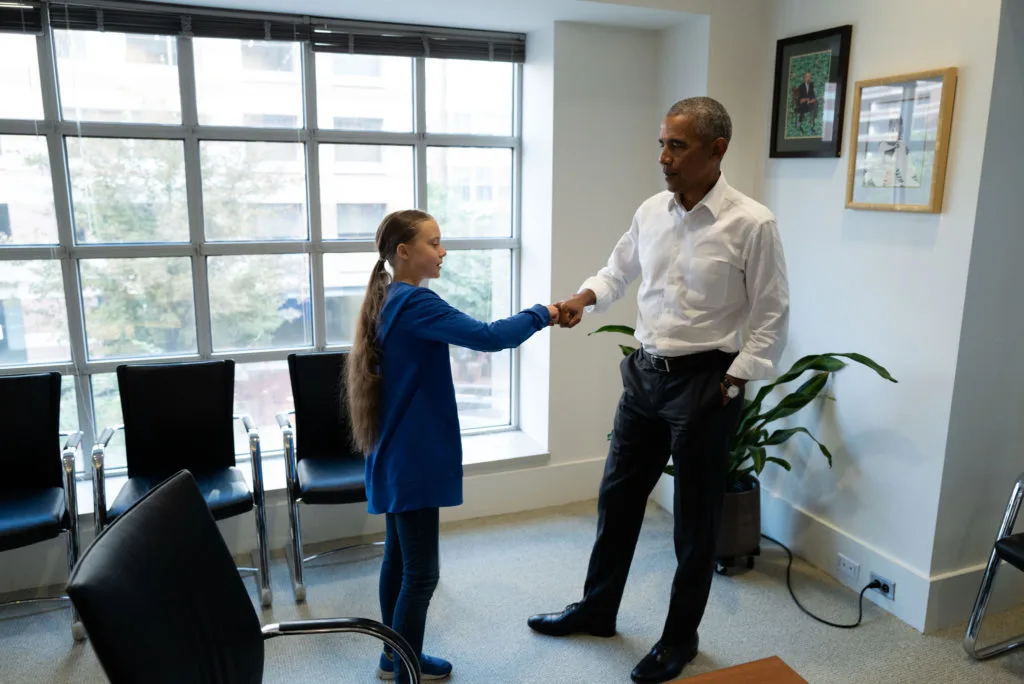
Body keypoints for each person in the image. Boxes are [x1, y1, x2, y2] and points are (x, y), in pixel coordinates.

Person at [527, 97, 789, 684]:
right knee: (617, 501)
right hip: (644, 377)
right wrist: (582, 299)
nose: (664, 157)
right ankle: (598, 610)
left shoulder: (752, 223)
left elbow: (772, 315)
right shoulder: (651, 211)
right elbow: (617, 271)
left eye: (678, 145)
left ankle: (680, 641)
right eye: (662, 143)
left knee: (694, 524)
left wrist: (734, 378)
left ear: (717, 150)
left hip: (707, 383)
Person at [346, 209, 559, 683]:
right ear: (405, 252)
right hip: (413, 458)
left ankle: (394, 658)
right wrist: (542, 314)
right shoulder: (416, 305)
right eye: (434, 243)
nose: (443, 252)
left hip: (394, 453)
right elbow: (488, 337)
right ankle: (405, 671)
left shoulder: (388, 298)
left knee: (397, 561)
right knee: (420, 575)